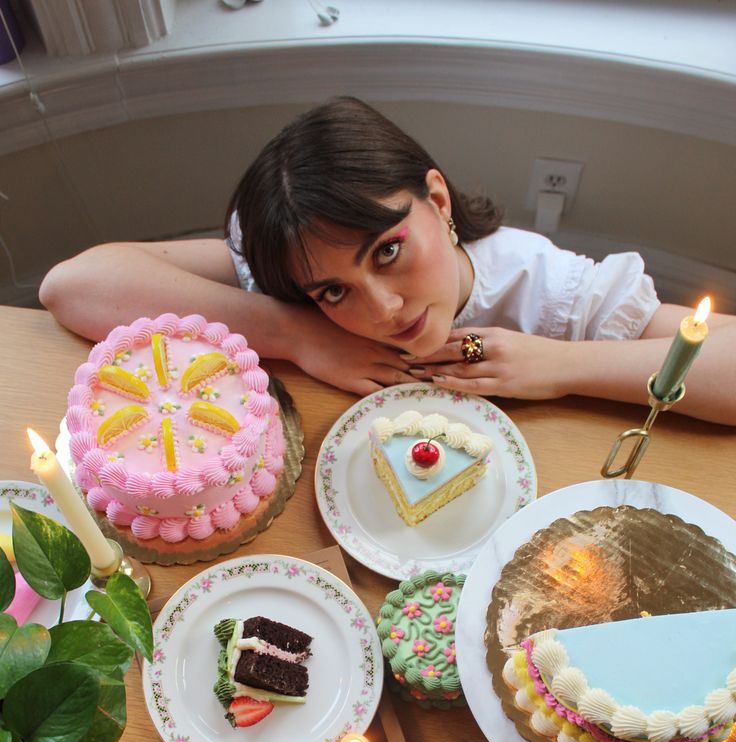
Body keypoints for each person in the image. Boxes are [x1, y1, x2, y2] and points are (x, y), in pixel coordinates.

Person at [39, 97, 736, 425]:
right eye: (334, 292)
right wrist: (296, 332)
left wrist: (559, 365)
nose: (384, 309)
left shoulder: (546, 289)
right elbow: (73, 286)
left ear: (435, 197)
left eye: (389, 251)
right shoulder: (297, 282)